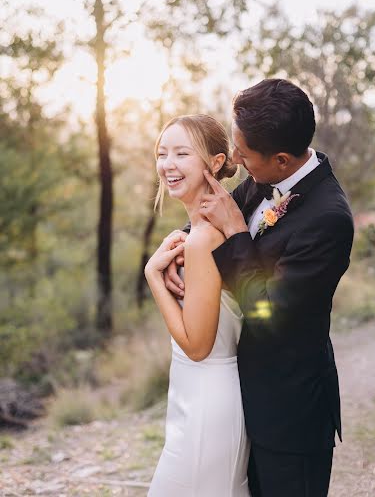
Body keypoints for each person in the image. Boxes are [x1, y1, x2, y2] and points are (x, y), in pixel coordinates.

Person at [165, 79, 354, 497]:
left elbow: (269, 314)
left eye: (243, 154)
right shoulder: (263, 177)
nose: (235, 159)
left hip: (290, 418)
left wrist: (237, 233)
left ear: (283, 159)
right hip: (240, 404)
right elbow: (213, 215)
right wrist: (177, 243)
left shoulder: (328, 220)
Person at [144, 114, 250, 496]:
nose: (168, 164)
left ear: (215, 163)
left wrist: (153, 278)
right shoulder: (198, 234)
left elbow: (197, 346)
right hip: (194, 396)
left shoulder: (203, 239)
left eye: (182, 154)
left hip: (209, 402)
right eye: (162, 153)